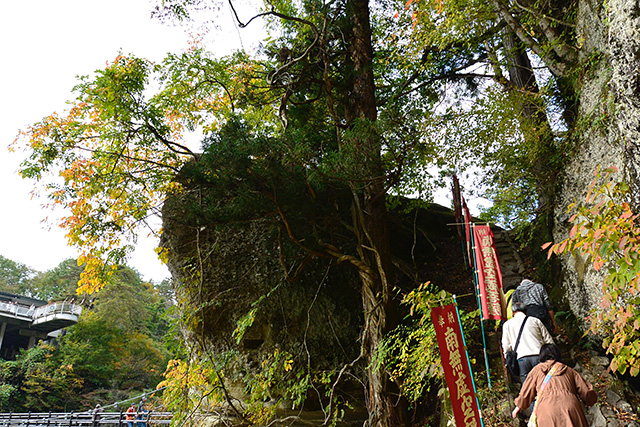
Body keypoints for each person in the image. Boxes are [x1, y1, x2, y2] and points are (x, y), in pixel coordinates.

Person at [512, 344, 597, 426]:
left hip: (547, 409)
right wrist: (590, 401)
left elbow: (526, 391)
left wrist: (519, 406)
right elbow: (586, 390)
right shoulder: (569, 370)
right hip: (570, 406)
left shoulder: (537, 370)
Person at [502, 301, 554, 383]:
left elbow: (506, 346)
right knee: (543, 383)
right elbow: (548, 340)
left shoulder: (507, 325)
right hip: (539, 355)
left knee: (528, 387)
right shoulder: (535, 320)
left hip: (521, 359)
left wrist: (507, 358)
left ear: (513, 312)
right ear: (526, 311)